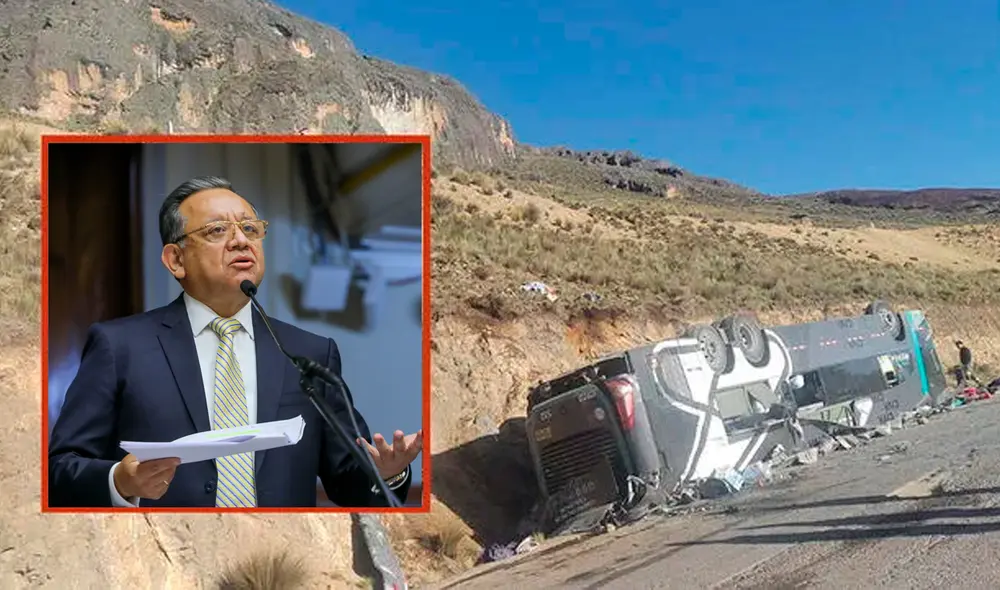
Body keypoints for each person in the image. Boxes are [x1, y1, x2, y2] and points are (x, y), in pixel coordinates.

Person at [48, 176, 422, 508]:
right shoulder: (120, 346)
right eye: (217, 231)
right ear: (176, 260)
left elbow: (350, 481)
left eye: (250, 228)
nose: (241, 240)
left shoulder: (309, 353)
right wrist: (120, 482)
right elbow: (61, 469)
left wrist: (387, 473)